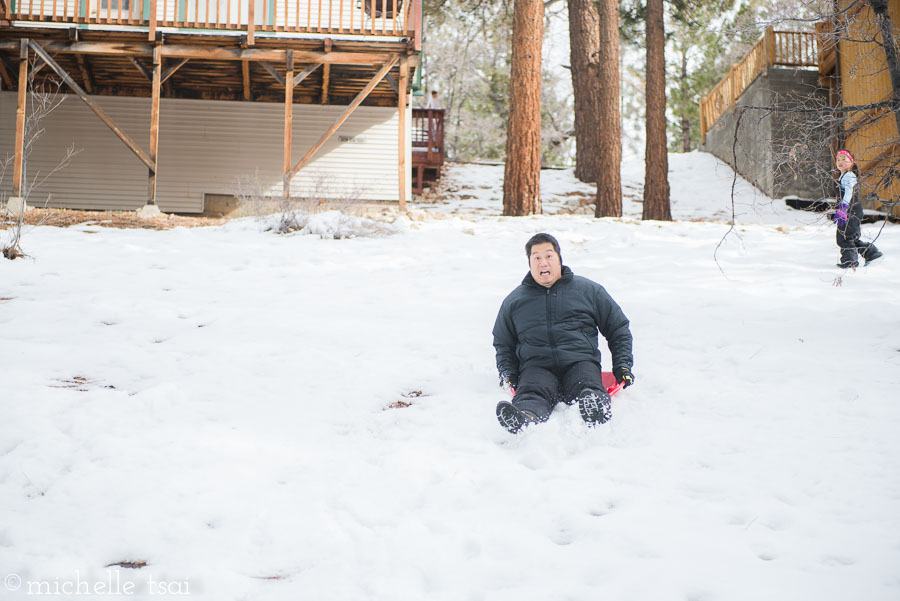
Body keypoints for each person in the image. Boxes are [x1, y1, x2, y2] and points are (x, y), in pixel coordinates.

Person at [492, 233, 635, 433]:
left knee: (587, 386)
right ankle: (525, 418)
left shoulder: (588, 291)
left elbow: (617, 328)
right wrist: (508, 373)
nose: (543, 263)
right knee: (531, 393)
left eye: (549, 256)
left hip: (579, 361)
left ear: (559, 259)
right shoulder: (515, 301)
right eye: (537, 258)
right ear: (530, 263)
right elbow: (503, 342)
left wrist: (622, 365)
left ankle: (594, 408)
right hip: (536, 366)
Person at [833, 149, 883, 268]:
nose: (840, 162)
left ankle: (850, 263)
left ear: (851, 162)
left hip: (851, 210)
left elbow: (849, 193)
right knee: (849, 237)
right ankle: (872, 254)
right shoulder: (843, 175)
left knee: (845, 237)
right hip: (849, 210)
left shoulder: (849, 176)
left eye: (844, 159)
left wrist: (843, 208)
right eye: (838, 159)